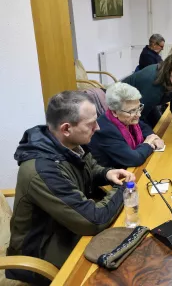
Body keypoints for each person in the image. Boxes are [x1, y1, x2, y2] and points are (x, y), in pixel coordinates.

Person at [7, 91, 135, 285]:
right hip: (41, 253)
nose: (98, 128)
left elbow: (90, 168)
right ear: (66, 128)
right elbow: (92, 221)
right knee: (121, 271)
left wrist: (107, 174)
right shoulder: (42, 170)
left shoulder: (68, 143)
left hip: (66, 228)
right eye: (91, 123)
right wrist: (125, 189)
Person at [89, 82, 164, 169]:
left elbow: (144, 127)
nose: (138, 114)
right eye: (132, 111)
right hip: (112, 177)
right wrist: (148, 144)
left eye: (139, 108)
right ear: (114, 112)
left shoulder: (127, 118)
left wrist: (153, 137)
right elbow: (134, 159)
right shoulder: (105, 131)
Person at [123, 52, 172, 136]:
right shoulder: (153, 84)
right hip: (123, 104)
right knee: (152, 134)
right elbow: (137, 118)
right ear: (168, 72)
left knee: (158, 128)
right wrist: (151, 136)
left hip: (144, 104)